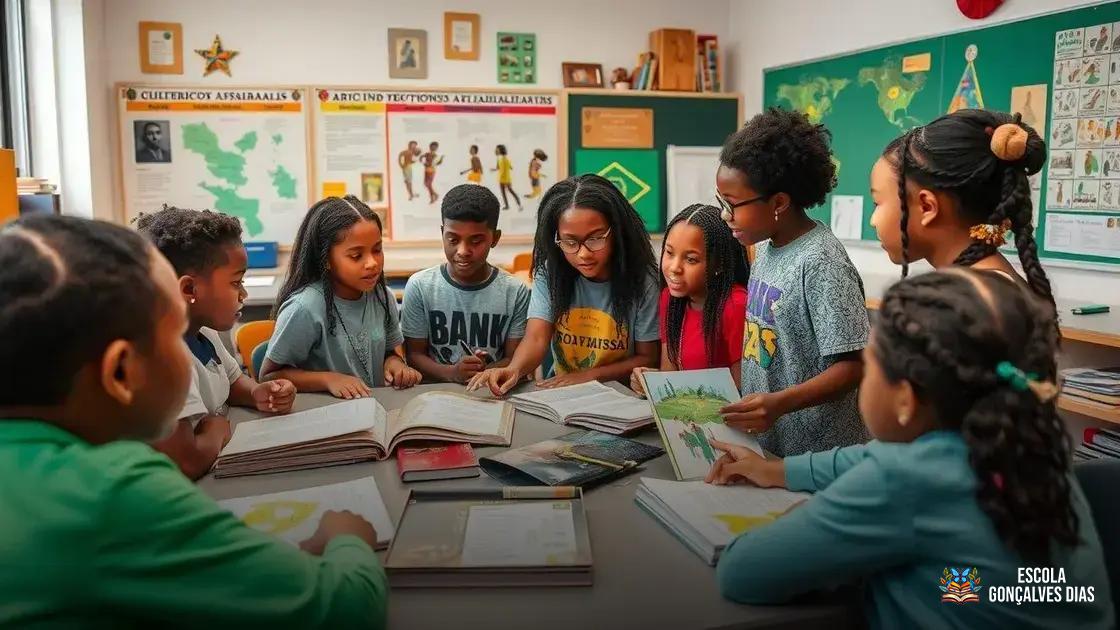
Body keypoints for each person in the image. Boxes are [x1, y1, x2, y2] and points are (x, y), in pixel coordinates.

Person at [0, 215, 388, 627]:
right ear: (121, 372)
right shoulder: (113, 494)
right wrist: (347, 538)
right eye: (171, 335)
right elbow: (348, 609)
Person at [708, 269, 1114, 629]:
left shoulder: (905, 481)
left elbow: (742, 573)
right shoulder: (1029, 447)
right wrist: (776, 471)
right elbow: (872, 459)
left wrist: (806, 515)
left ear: (905, 399)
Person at [717, 107, 869, 456]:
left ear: (779, 203)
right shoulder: (765, 249)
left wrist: (780, 403)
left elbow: (854, 366)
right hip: (772, 444)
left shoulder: (821, 261)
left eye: (733, 204)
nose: (726, 215)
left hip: (819, 454)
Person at [136, 206, 296, 480]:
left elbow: (232, 383)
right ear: (189, 289)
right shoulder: (161, 357)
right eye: (236, 283)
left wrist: (256, 392)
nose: (244, 294)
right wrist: (216, 430)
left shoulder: (205, 334)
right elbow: (185, 463)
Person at [468, 174, 659, 396]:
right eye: (570, 242)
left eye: (596, 238)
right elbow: (536, 338)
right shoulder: (550, 273)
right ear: (555, 239)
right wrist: (513, 369)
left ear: (617, 232)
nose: (584, 253)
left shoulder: (644, 280)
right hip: (561, 394)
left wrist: (588, 377)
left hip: (620, 397)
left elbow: (648, 357)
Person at [870, 109, 1055, 307]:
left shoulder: (971, 302)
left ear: (926, 207)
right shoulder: (986, 286)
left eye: (877, 203)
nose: (873, 221)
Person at [261, 195, 421, 397]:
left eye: (377, 250)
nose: (372, 263)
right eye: (356, 256)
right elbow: (268, 376)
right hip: (323, 416)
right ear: (326, 259)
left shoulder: (382, 296)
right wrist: (328, 379)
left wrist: (395, 364)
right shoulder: (305, 308)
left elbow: (389, 352)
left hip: (374, 408)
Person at [402, 185, 530, 383]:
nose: (463, 251)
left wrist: (486, 369)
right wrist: (452, 373)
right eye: (453, 239)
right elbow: (413, 356)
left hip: (490, 393)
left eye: (476, 241)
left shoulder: (516, 292)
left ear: (494, 238)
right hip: (435, 395)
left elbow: (513, 358)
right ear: (443, 233)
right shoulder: (420, 286)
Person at [631, 204, 749, 396]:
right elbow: (671, 374)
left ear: (718, 263)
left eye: (691, 259)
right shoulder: (669, 298)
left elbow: (742, 390)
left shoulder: (736, 305)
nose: (674, 268)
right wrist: (654, 383)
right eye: (669, 253)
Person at [493, 144, 522, 211]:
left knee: (505, 192)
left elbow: (502, 170)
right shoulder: (504, 159)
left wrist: (500, 175)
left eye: (497, 149)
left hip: (503, 179)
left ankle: (510, 205)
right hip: (507, 178)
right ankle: (515, 204)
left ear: (500, 150)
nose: (496, 151)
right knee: (509, 191)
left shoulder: (502, 159)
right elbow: (509, 167)